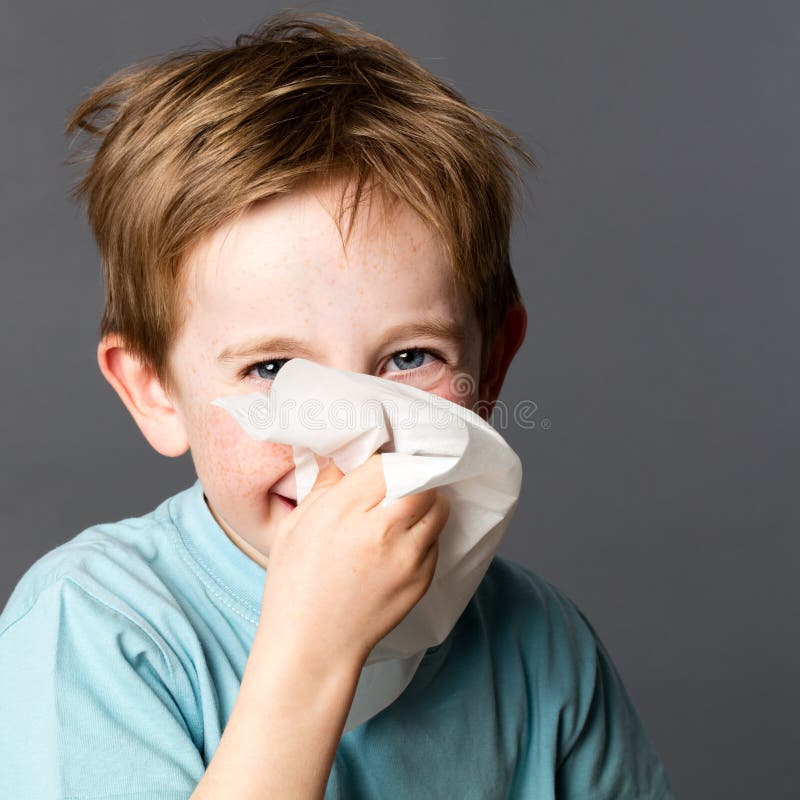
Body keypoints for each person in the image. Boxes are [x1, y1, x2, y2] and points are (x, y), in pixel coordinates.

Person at [0, 10, 677, 799]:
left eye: (409, 357)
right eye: (274, 369)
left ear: (492, 366)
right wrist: (313, 650)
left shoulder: (543, 645)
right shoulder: (92, 630)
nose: (350, 438)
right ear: (154, 391)